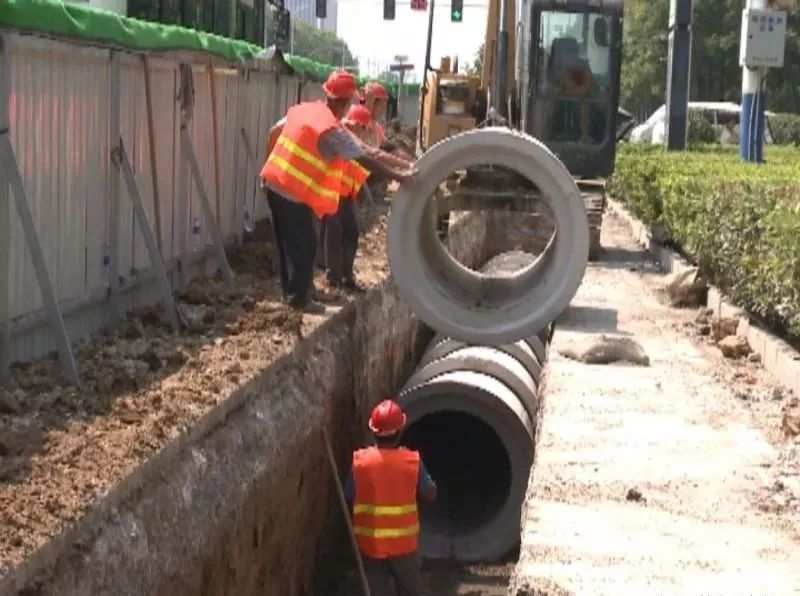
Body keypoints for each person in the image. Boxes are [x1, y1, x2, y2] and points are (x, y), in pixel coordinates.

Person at [260, 71, 416, 313]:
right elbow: (366, 157)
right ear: (345, 103)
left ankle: (295, 293)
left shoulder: (306, 110)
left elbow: (274, 131)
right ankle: (298, 298)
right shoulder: (333, 130)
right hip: (291, 192)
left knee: (287, 245)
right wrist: (400, 177)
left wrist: (270, 166)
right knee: (305, 245)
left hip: (274, 183)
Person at [344, 398, 437, 596]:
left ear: (373, 431)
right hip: (403, 547)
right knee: (412, 591)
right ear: (400, 431)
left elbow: (349, 496)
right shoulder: (411, 462)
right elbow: (430, 494)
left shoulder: (360, 463)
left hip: (370, 545)